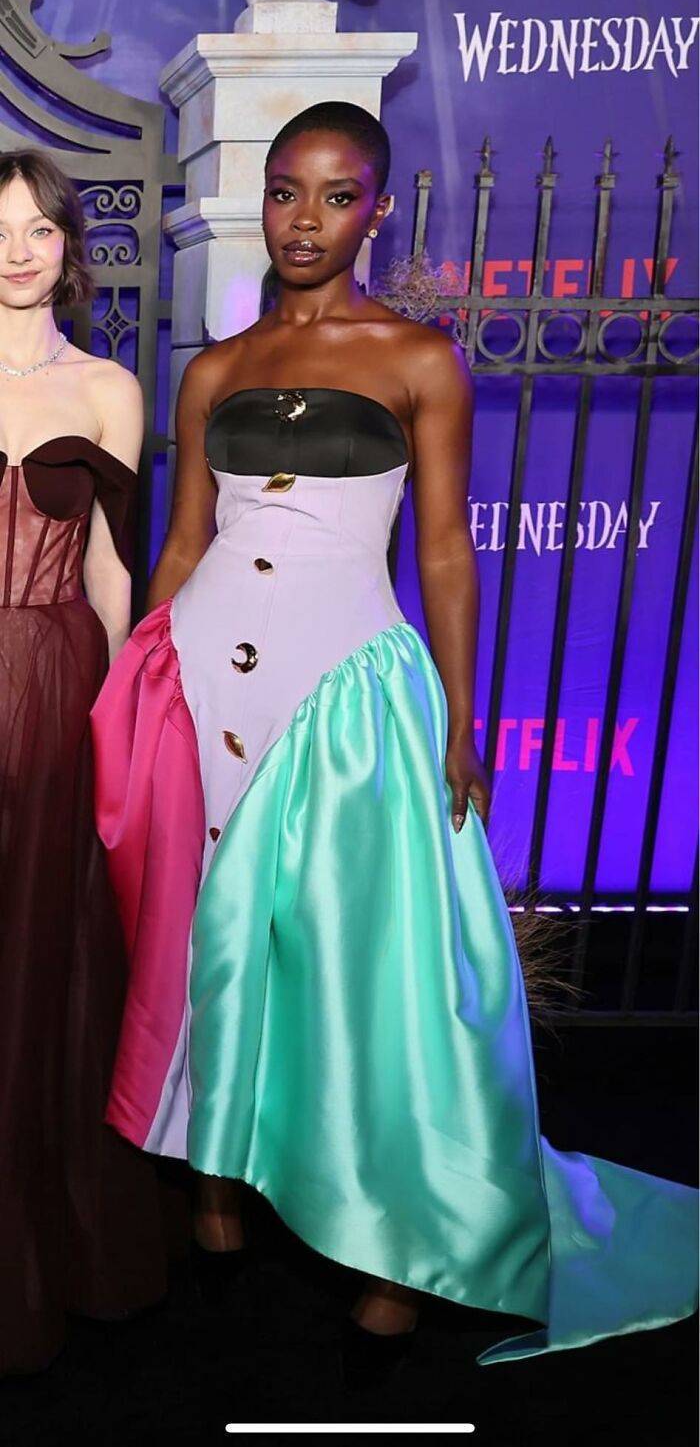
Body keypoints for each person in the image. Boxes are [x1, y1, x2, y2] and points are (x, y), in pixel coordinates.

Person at [91, 103, 697, 1387]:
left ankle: (396, 1242)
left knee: (358, 954)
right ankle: (216, 1181)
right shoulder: (215, 365)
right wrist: (139, 677)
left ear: (374, 208)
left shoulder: (419, 357)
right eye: (285, 191)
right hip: (202, 678)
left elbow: (445, 549)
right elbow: (185, 542)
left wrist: (462, 715)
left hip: (342, 689)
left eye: (335, 194)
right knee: (205, 926)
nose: (304, 219)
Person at [0, 150, 166, 1376]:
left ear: (69, 244)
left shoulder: (109, 387)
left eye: (38, 229)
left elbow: (112, 566)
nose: (16, 251)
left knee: (41, 945)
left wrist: (117, 716)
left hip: (58, 684)